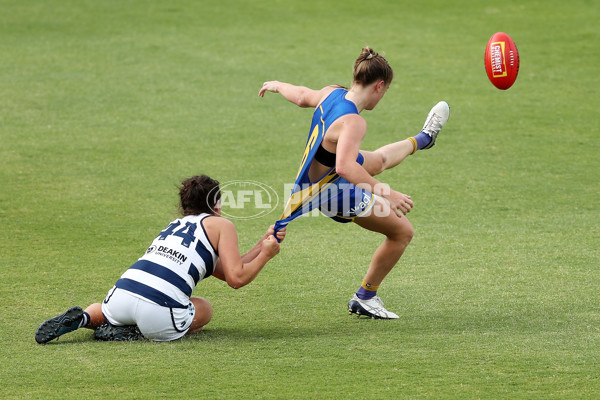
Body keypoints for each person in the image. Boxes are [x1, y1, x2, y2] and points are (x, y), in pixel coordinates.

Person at [258, 47, 449, 319]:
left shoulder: (332, 92)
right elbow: (345, 167)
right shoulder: (354, 122)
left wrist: (278, 85)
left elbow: (301, 96)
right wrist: (388, 194)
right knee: (402, 233)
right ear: (379, 86)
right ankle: (366, 296)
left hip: (327, 176)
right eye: (385, 92)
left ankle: (424, 138)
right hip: (331, 192)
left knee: (378, 160)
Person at [35, 174, 285, 343]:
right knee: (204, 309)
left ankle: (85, 318)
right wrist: (266, 255)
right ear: (216, 204)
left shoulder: (176, 225)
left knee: (108, 309)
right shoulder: (221, 225)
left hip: (121, 294)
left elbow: (226, 267)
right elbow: (236, 278)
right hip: (158, 311)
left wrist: (263, 242)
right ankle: (134, 332)